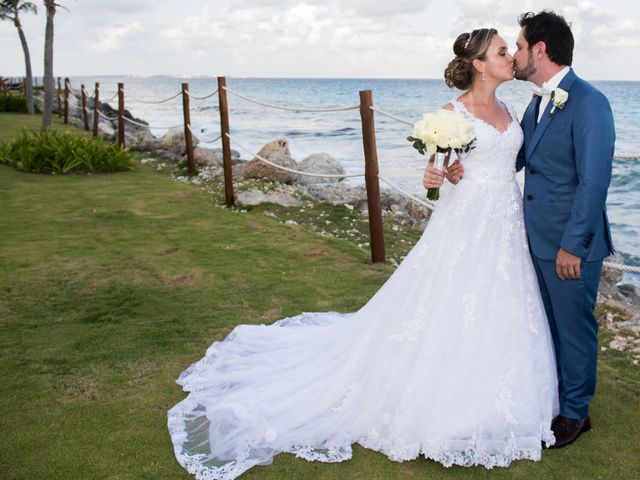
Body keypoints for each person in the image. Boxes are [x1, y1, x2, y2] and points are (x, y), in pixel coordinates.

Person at [168, 29, 558, 480]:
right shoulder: (453, 114)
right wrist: (437, 175)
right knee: (451, 301)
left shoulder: (511, 109)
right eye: (502, 51)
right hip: (466, 221)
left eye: (511, 50)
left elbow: (502, 163)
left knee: (503, 303)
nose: (512, 57)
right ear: (479, 64)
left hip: (505, 222)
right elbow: (434, 178)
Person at [444, 11, 615, 448]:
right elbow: (518, 159)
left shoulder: (590, 102)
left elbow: (593, 183)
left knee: (574, 327)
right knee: (550, 326)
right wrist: (461, 166)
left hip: (567, 244)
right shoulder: (537, 103)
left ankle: (576, 414)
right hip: (528, 236)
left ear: (539, 50)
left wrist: (573, 247)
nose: (515, 55)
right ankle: (556, 397)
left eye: (518, 46)